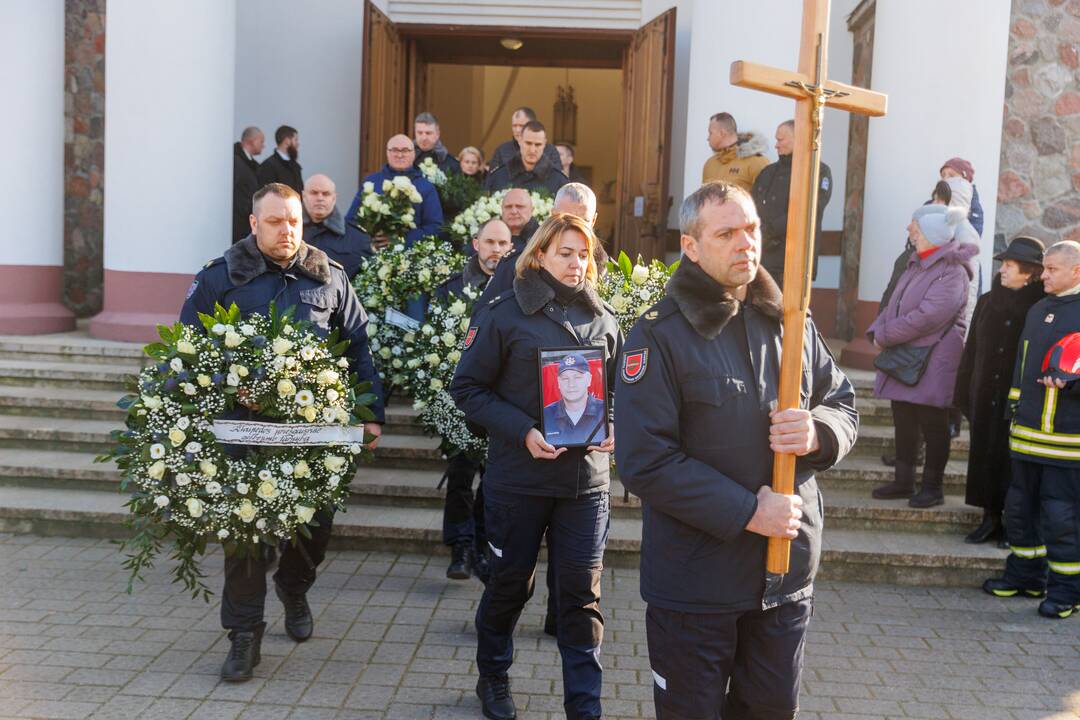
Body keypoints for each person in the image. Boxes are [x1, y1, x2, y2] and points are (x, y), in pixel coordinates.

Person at [614, 182, 857, 719]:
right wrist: (749, 511)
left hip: (785, 579)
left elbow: (841, 400)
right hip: (696, 586)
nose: (745, 242)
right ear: (692, 246)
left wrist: (818, 432)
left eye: (751, 229)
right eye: (726, 233)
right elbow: (643, 460)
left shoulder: (791, 323)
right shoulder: (658, 336)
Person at [179, 183, 385, 682]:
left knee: (314, 529)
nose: (286, 230)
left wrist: (372, 410)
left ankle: (295, 587)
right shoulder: (220, 277)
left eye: (293, 221)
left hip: (315, 436)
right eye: (275, 221)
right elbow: (186, 351)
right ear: (254, 224)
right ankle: (243, 635)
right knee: (245, 534)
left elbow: (358, 346)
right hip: (243, 433)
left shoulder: (329, 275)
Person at [451, 213, 620, 720]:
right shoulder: (504, 315)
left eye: (583, 254)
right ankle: (494, 677)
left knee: (580, 598)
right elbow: (468, 390)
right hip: (518, 481)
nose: (576, 263)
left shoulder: (604, 319)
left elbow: (618, 396)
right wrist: (523, 429)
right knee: (510, 586)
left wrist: (613, 422)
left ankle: (584, 706)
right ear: (540, 255)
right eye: (565, 253)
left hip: (584, 485)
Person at [983, 241, 1080, 619]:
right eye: (1044, 269)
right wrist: (1015, 406)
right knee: (1019, 511)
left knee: (1062, 519)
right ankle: (1025, 576)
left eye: (1053, 270)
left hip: (1067, 441)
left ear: (1076, 271)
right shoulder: (1039, 308)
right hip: (1026, 435)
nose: (1044, 276)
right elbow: (1023, 366)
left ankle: (1067, 591)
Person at [867, 205, 978, 507]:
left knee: (933, 424)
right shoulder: (917, 263)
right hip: (907, 356)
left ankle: (932, 488)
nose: (909, 229)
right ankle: (903, 482)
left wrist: (885, 336)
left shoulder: (952, 271)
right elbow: (894, 304)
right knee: (903, 419)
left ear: (931, 233)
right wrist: (876, 329)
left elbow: (928, 317)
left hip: (933, 360)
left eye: (915, 224)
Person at [434, 218, 513, 582]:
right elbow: (431, 340)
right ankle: (460, 548)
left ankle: (483, 545)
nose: (497, 250)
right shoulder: (451, 290)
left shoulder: (518, 289)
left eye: (503, 244)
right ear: (476, 243)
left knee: (493, 478)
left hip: (500, 402)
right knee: (461, 474)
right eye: (490, 242)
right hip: (460, 399)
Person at [954, 236, 1045, 545]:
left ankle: (1011, 523)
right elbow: (972, 350)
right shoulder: (987, 301)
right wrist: (964, 390)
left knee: (1012, 463)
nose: (1002, 270)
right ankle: (989, 519)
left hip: (1020, 401)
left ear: (1029, 272)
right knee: (984, 458)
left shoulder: (1040, 307)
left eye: (1009, 265)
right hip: (984, 396)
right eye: (1003, 264)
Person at [484, 183, 602, 300]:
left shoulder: (604, 267)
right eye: (567, 219)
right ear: (553, 215)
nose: (575, 228)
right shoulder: (515, 263)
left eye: (583, 221)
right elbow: (485, 314)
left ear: (593, 221)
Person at [751, 119, 833, 285]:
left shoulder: (818, 171)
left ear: (800, 138)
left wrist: (770, 231)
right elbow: (751, 208)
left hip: (794, 261)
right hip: (762, 258)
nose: (776, 145)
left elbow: (810, 210)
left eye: (780, 139)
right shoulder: (767, 172)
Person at [346, 134, 444, 250]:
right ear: (387, 152)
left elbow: (434, 227)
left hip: (409, 255)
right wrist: (370, 239)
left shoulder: (426, 187)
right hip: (371, 252)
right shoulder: (371, 182)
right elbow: (351, 221)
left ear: (413, 153)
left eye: (405, 150)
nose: (399, 155)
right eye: (394, 150)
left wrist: (399, 240)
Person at [302, 173, 373, 279]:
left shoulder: (357, 238)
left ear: (334, 198)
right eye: (314, 193)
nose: (320, 198)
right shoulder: (288, 233)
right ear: (303, 196)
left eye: (326, 194)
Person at [485, 120, 568, 196]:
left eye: (538, 145)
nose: (532, 150)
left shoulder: (559, 180)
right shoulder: (499, 176)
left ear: (544, 144)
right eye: (528, 143)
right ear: (519, 141)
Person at [541, 353, 607, 446]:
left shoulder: (605, 411)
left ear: (589, 379)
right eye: (565, 378)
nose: (571, 384)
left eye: (577, 377)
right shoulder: (546, 414)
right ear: (558, 382)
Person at [700, 112, 769, 192]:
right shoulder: (710, 164)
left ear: (722, 133)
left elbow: (765, 199)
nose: (708, 138)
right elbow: (703, 199)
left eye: (710, 133)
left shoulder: (757, 162)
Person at [489, 106, 564, 171]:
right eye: (514, 126)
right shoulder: (502, 150)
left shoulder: (550, 151)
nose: (517, 130)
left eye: (522, 126)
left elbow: (557, 181)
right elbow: (492, 182)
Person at [233, 126, 264, 243]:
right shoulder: (235, 161)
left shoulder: (252, 164)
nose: (263, 145)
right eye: (261, 141)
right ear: (252, 141)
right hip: (239, 223)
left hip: (247, 221)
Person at [256, 125, 303, 194]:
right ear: (287, 141)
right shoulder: (268, 166)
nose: (298, 143)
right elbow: (266, 195)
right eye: (295, 140)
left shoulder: (295, 166)